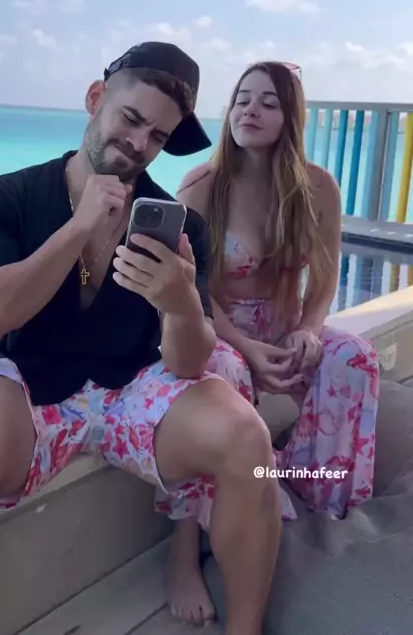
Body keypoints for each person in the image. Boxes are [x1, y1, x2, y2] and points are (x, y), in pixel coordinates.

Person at [0, 42, 282, 635]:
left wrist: (179, 301)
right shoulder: (6, 196)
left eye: (158, 136)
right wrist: (78, 229)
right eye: (131, 118)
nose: (140, 143)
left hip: (131, 391)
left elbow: (187, 363)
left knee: (248, 442)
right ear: (96, 98)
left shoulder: (179, 226)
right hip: (29, 386)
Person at [164, 60, 380, 625]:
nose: (250, 111)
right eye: (242, 99)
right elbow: (190, 291)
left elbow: (325, 278)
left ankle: (315, 501)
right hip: (218, 329)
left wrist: (308, 330)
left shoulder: (317, 187)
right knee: (216, 378)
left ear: (291, 117)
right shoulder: (202, 186)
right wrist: (244, 346)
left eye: (267, 102)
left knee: (354, 359)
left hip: (285, 332)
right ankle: (183, 553)